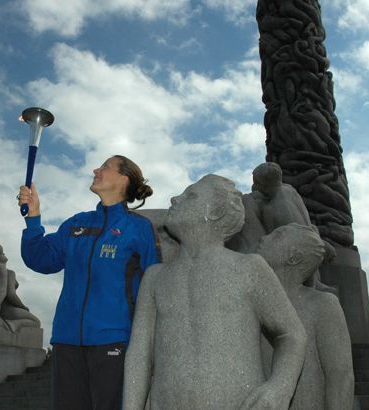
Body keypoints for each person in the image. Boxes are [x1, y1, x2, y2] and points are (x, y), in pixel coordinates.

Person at [123, 175, 306, 410]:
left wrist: (280, 387)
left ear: (216, 211)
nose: (175, 199)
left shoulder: (249, 268)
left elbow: (292, 334)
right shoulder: (155, 277)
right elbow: (139, 354)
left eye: (190, 195)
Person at [18, 155, 160, 410]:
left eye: (105, 166)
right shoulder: (76, 224)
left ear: (124, 178)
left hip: (114, 341)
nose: (96, 169)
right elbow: (40, 259)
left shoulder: (139, 228)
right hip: (66, 341)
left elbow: (154, 288)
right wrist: (34, 219)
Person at [258, 223, 354, 409]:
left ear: (294, 257)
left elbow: (340, 376)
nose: (263, 238)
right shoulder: (252, 303)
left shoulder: (322, 304)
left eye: (277, 236)